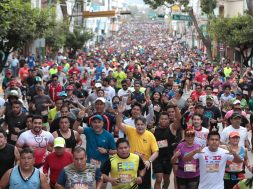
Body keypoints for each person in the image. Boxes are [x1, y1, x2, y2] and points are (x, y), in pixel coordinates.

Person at [116, 105, 159, 189]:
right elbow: (119, 124)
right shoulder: (130, 130)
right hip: (130, 164)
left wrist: (149, 161)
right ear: (135, 125)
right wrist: (119, 113)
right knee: (129, 186)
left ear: (146, 125)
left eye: (142, 124)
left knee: (144, 187)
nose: (140, 126)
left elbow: (156, 152)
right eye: (138, 124)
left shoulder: (150, 135)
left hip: (144, 165)